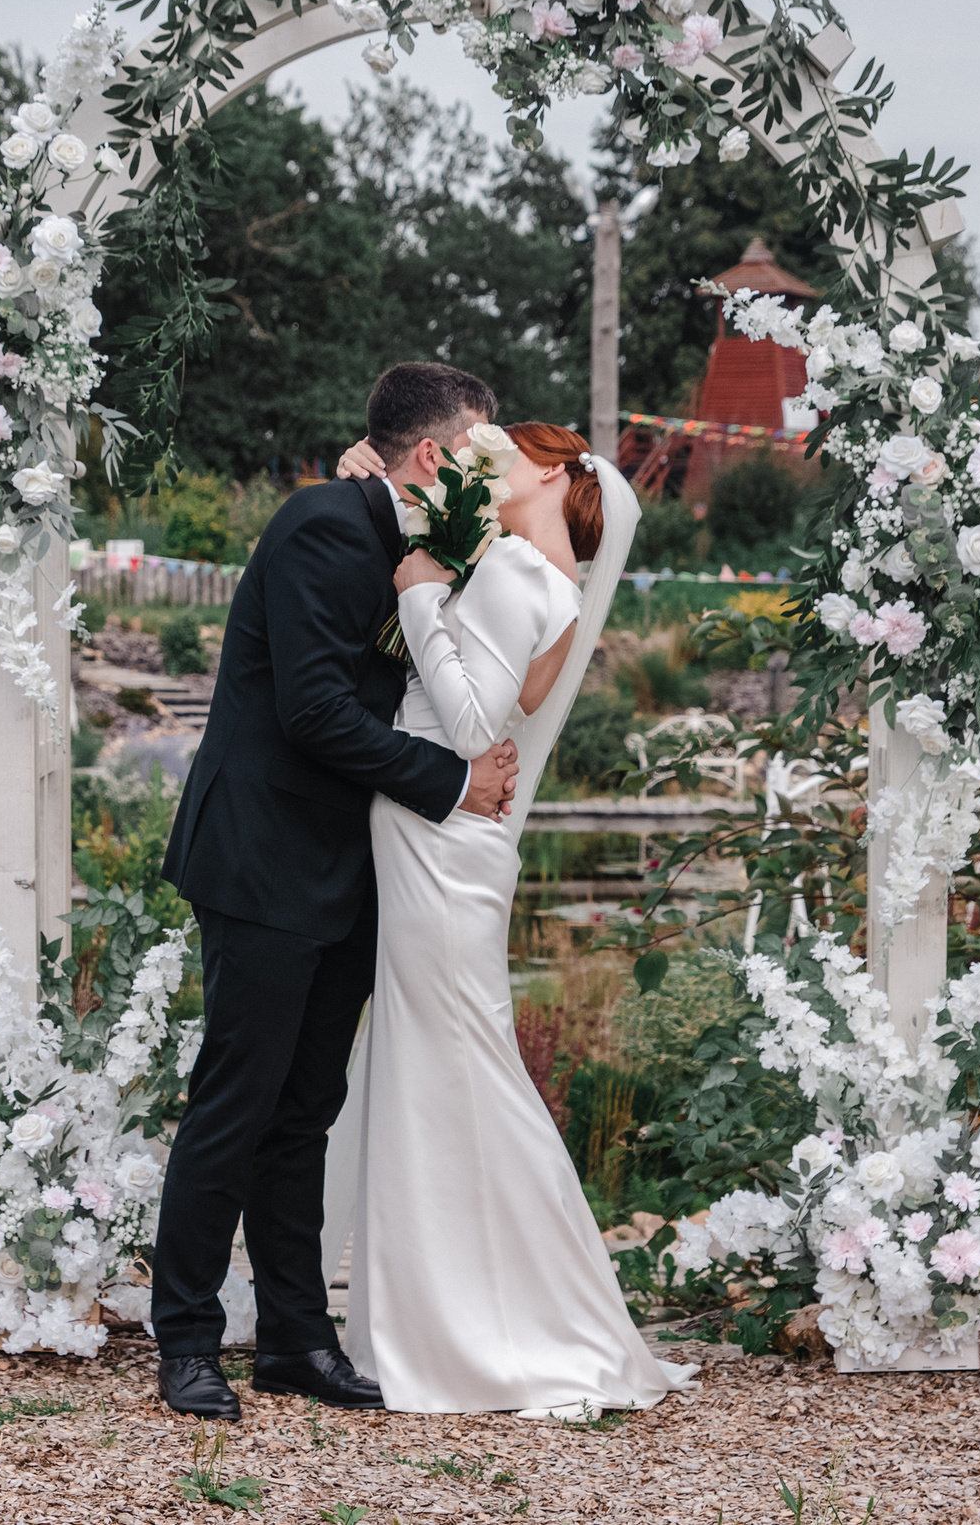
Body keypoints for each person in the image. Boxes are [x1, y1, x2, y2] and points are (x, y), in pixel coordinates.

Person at [151, 362, 523, 1423]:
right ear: (432, 457)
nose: (490, 484)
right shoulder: (321, 525)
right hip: (264, 857)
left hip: (347, 868)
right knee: (235, 1103)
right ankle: (185, 1339)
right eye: (480, 458)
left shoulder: (420, 554)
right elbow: (313, 708)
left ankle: (294, 1341)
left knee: (304, 1112)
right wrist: (455, 784)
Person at [329, 421, 698, 1418]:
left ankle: (468, 1329)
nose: (472, 465)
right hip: (451, 844)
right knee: (452, 1067)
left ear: (543, 472)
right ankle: (472, 1313)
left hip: (434, 840)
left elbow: (466, 725)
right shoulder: (556, 592)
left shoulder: (513, 576)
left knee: (454, 1069)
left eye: (492, 452)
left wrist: (413, 591)